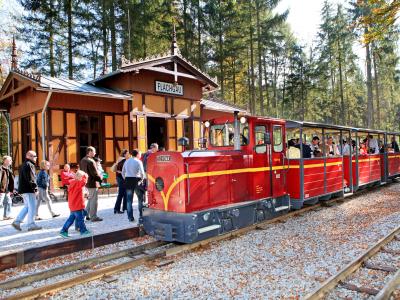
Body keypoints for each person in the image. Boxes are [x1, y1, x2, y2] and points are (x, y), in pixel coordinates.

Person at [12, 151, 42, 231]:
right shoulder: (30, 164)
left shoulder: (23, 164)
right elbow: (31, 178)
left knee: (27, 206)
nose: (36, 157)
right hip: (29, 189)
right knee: (32, 206)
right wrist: (35, 189)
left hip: (23, 189)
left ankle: (17, 221)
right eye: (35, 156)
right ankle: (31, 224)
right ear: (29, 156)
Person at [59, 170, 92, 238]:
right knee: (80, 219)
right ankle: (83, 230)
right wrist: (86, 176)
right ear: (80, 177)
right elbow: (84, 182)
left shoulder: (72, 183)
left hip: (73, 205)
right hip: (77, 206)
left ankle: (63, 231)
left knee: (71, 219)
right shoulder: (78, 183)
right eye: (82, 177)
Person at [80, 146, 102, 222]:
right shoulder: (90, 161)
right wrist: (100, 178)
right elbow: (95, 174)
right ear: (90, 152)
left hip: (86, 182)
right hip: (92, 183)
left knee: (90, 199)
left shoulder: (83, 160)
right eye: (94, 151)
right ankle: (93, 217)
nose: (95, 153)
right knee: (94, 201)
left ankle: (86, 214)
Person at [122, 149, 145, 222]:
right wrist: (141, 180)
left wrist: (125, 179)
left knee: (129, 201)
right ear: (137, 154)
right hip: (136, 180)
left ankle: (130, 217)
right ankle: (141, 215)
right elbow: (142, 173)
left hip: (128, 180)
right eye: (140, 154)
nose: (140, 155)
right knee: (140, 199)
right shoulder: (138, 161)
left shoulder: (127, 161)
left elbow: (123, 173)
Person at [113, 149, 129, 214]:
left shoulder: (119, 159)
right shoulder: (124, 160)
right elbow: (124, 170)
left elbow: (116, 169)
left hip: (119, 177)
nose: (128, 155)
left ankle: (125, 207)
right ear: (124, 154)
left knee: (124, 193)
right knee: (121, 194)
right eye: (127, 153)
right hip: (122, 178)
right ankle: (117, 208)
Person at [0, 156, 14, 220]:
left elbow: (10, 180)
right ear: (5, 161)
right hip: (1, 190)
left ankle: (6, 215)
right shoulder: (1, 169)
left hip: (7, 190)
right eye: (9, 160)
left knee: (8, 202)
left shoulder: (8, 170)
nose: (11, 161)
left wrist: (11, 190)